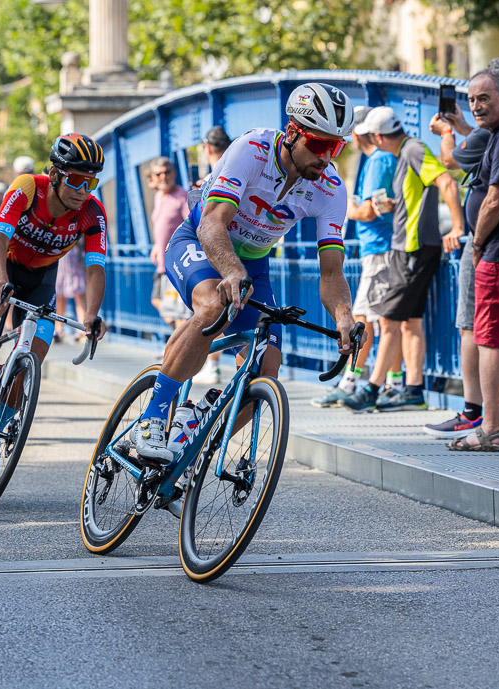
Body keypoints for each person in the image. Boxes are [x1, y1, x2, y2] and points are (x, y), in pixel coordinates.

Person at [128, 82, 358, 463]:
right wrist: (231, 272)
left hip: (254, 264)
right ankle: (151, 419)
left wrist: (344, 316)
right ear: (292, 133)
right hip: (200, 242)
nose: (326, 157)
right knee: (214, 306)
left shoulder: (331, 188)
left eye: (336, 147)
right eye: (319, 145)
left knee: (267, 366)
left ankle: (195, 442)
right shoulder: (253, 149)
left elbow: (332, 274)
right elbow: (212, 223)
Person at [0, 133, 108, 476]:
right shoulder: (28, 187)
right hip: (4, 261)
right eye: (75, 179)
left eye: (90, 182)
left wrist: (91, 316)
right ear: (56, 174)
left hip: (41, 278)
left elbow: (95, 268)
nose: (82, 189)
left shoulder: (92, 212)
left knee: (35, 351)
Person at [340, 105, 465, 414]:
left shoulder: (412, 150)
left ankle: (371, 388)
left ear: (378, 136)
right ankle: (412, 388)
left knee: (389, 319)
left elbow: (447, 182)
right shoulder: (408, 151)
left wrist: (458, 227)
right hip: (411, 246)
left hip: (412, 247)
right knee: (410, 322)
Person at [445, 69, 499, 452]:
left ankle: (491, 429)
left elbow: (496, 198)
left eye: (484, 98)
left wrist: (478, 242)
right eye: (472, 100)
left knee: (489, 341)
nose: (477, 106)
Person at [313, 105, 402, 409]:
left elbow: (368, 210)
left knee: (364, 320)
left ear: (355, 133)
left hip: (379, 249)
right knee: (387, 320)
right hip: (381, 249)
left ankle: (351, 381)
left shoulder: (377, 161)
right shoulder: (380, 159)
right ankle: (394, 381)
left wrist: (340, 206)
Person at [192, 125, 233, 385]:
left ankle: (208, 364)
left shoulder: (211, 177)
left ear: (207, 148)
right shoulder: (237, 171)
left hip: (210, 250)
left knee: (212, 308)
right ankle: (211, 363)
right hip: (239, 250)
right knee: (222, 308)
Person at [147, 157, 192, 330]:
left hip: (176, 263)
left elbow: (191, 226)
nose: (163, 177)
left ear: (174, 173)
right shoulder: (159, 196)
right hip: (162, 264)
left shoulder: (182, 197)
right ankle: (181, 342)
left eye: (167, 172)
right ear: (154, 177)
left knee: (179, 312)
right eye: (158, 174)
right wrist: (157, 246)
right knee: (158, 301)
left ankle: (182, 348)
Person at [54, 243, 85, 342]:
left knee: (78, 293)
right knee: (60, 294)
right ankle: (58, 328)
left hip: (72, 254)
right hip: (62, 255)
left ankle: (82, 328)